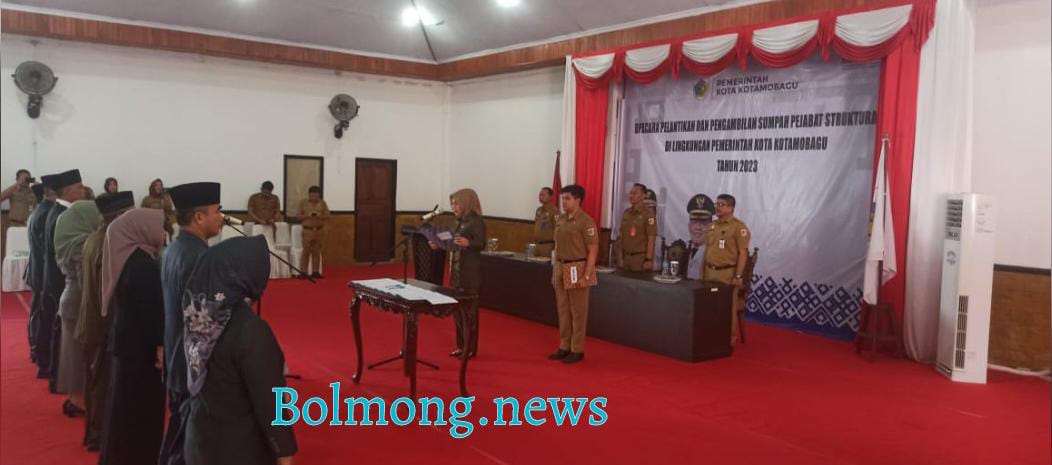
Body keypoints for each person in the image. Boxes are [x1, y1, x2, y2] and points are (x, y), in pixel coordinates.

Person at [182, 236, 298, 465]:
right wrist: (284, 450)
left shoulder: (199, 315)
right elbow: (269, 400)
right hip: (239, 449)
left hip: (200, 440)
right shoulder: (250, 330)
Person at [159, 182, 224, 465]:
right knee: (188, 439)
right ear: (199, 217)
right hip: (192, 361)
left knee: (180, 427)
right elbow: (206, 318)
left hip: (177, 353)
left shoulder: (174, 249)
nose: (222, 217)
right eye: (217, 211)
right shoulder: (198, 256)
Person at [98, 208, 168, 465]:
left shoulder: (129, 258)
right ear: (143, 229)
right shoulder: (144, 266)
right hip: (142, 353)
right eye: (160, 227)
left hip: (128, 347)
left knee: (122, 410)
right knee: (139, 414)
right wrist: (161, 344)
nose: (163, 233)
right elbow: (152, 312)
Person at [75, 191, 135, 451]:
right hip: (102, 326)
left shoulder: (95, 238)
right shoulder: (109, 243)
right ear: (121, 215)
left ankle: (95, 431)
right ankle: (97, 435)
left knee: (95, 383)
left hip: (91, 322)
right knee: (101, 384)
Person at [53, 200, 102, 419]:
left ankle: (76, 399)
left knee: (73, 353)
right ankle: (78, 401)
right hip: (78, 303)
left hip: (71, 301)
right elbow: (87, 283)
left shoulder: (69, 240)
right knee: (76, 356)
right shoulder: (81, 246)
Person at [38, 170, 85, 393]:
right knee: (61, 334)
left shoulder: (59, 212)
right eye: (79, 187)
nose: (83, 191)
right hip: (60, 281)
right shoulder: (61, 215)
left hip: (56, 279)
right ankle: (58, 378)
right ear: (67, 191)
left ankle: (55, 374)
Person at [547, 185, 598, 364]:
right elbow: (557, 247)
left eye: (567, 198)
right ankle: (564, 345)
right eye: (562, 199)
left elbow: (593, 250)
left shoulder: (586, 221)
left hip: (577, 267)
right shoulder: (560, 219)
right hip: (561, 267)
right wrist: (555, 270)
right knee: (563, 310)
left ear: (578, 200)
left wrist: (587, 275)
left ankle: (577, 349)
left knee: (578, 311)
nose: (563, 202)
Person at [702, 194, 751, 343]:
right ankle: (709, 332)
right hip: (710, 272)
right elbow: (707, 250)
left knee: (728, 306)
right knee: (707, 305)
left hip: (727, 273)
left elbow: (743, 253)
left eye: (722, 204)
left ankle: (729, 336)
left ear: (731, 208)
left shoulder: (739, 227)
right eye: (717, 204)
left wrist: (738, 276)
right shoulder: (712, 226)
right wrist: (702, 272)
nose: (717, 207)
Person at [445, 189, 485, 358]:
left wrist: (469, 243)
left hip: (469, 272)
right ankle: (461, 346)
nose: (453, 206)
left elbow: (481, 243)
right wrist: (440, 243)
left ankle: (470, 348)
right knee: (457, 311)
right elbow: (452, 241)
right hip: (456, 271)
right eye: (452, 203)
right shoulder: (458, 221)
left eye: (456, 203)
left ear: (466, 202)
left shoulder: (476, 221)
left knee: (469, 313)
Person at [25, 182, 54, 367]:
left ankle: (35, 346)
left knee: (37, 311)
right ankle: (38, 348)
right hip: (43, 273)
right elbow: (47, 250)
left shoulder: (39, 210)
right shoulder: (46, 213)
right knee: (41, 314)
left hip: (37, 271)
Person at [617, 183, 657, 272]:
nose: (631, 195)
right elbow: (622, 237)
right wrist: (620, 257)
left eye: (635, 193)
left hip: (640, 259)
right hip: (626, 258)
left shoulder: (648, 214)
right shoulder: (626, 213)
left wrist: (648, 259)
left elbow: (651, 238)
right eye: (630, 193)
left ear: (643, 196)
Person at [297, 186, 329, 279]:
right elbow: (298, 216)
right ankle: (303, 272)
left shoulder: (322, 203)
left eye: (317, 195)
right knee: (306, 251)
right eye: (313, 195)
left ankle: (315, 272)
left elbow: (327, 215)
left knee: (317, 252)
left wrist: (319, 216)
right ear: (309, 194)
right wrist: (308, 215)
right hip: (307, 230)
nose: (315, 197)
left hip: (319, 230)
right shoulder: (303, 203)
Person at [685, 194, 715, 280]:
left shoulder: (714, 252)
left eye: (703, 223)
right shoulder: (683, 248)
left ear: (711, 226)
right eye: (694, 222)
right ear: (689, 226)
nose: (698, 228)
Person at [532, 187, 558, 258]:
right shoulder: (539, 210)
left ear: (550, 197)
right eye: (540, 195)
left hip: (548, 246)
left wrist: (556, 247)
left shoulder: (554, 211)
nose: (541, 196)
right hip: (537, 245)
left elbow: (557, 229)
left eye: (543, 195)